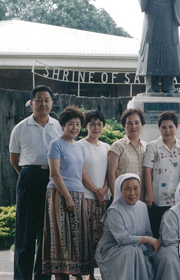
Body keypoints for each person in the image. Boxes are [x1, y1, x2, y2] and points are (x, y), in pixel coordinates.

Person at [9, 85, 62, 280]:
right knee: (25, 233)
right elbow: (14, 159)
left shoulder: (58, 126)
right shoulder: (20, 128)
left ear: (52, 103)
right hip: (28, 177)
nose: (43, 104)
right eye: (38, 100)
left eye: (46, 100)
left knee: (47, 234)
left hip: (52, 179)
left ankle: (42, 277)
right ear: (31, 103)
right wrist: (27, 176)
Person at [42, 106, 100, 279]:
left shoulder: (80, 147)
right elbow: (55, 173)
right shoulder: (56, 144)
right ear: (63, 125)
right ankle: (61, 275)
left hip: (78, 195)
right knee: (62, 238)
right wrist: (67, 197)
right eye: (70, 124)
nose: (74, 128)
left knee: (79, 237)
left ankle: (77, 273)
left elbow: (81, 174)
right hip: (59, 194)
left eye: (77, 124)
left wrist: (96, 191)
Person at [95, 174, 159, 280]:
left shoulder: (142, 206)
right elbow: (122, 239)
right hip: (112, 250)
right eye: (127, 189)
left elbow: (147, 232)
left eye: (135, 188)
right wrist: (147, 240)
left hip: (136, 248)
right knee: (131, 250)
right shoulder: (114, 210)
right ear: (120, 190)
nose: (132, 193)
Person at [143, 111, 180, 238]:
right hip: (157, 198)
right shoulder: (153, 146)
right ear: (159, 128)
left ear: (177, 127)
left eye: (170, 127)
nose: (167, 130)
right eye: (163, 127)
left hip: (177, 198)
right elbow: (147, 170)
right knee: (157, 231)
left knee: (175, 232)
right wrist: (149, 193)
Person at [78, 110, 110, 280]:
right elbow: (81, 172)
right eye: (92, 124)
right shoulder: (79, 145)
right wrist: (96, 191)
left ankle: (93, 275)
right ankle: (81, 275)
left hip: (101, 200)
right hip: (85, 198)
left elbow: (109, 172)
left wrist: (104, 189)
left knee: (99, 238)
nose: (96, 127)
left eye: (99, 124)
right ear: (86, 126)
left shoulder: (106, 147)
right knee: (85, 237)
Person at [108, 108, 147, 201]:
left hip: (141, 199)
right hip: (122, 198)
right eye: (129, 123)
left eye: (137, 123)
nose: (133, 126)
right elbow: (111, 174)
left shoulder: (147, 147)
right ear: (124, 126)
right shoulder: (117, 146)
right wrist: (115, 196)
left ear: (142, 125)